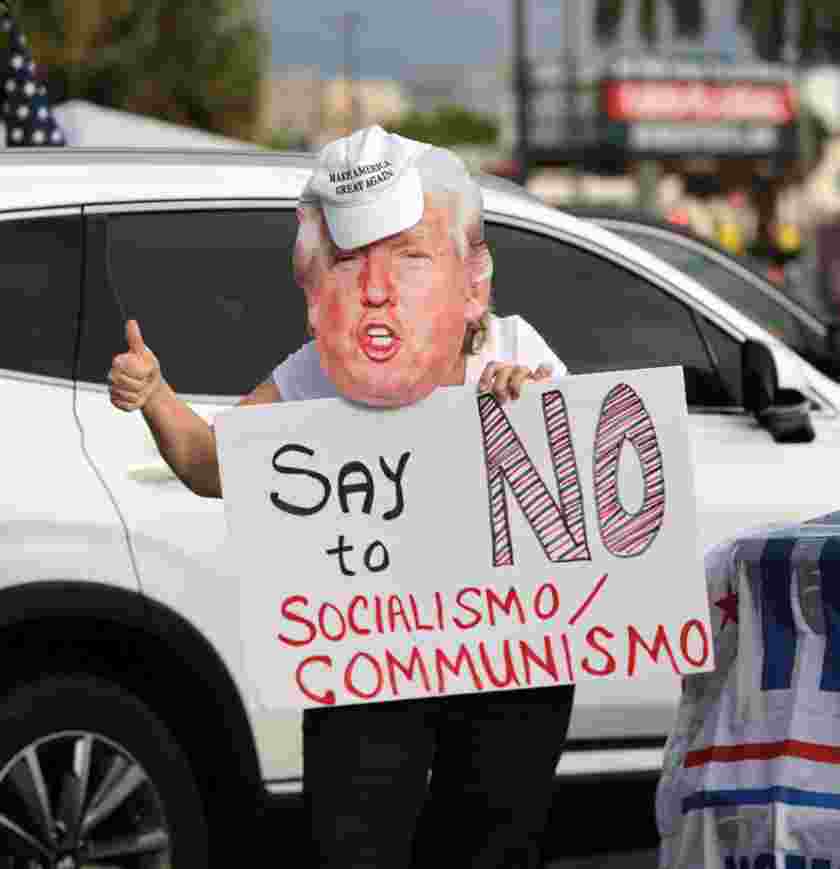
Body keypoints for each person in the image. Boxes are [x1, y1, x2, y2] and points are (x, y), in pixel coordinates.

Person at [108, 125, 575, 868]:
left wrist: (535, 405)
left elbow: (580, 483)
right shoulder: (315, 372)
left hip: (506, 658)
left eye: (407, 257)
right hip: (373, 653)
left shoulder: (516, 348)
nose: (378, 285)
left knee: (495, 840)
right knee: (356, 839)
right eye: (354, 262)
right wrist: (156, 395)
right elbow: (210, 463)